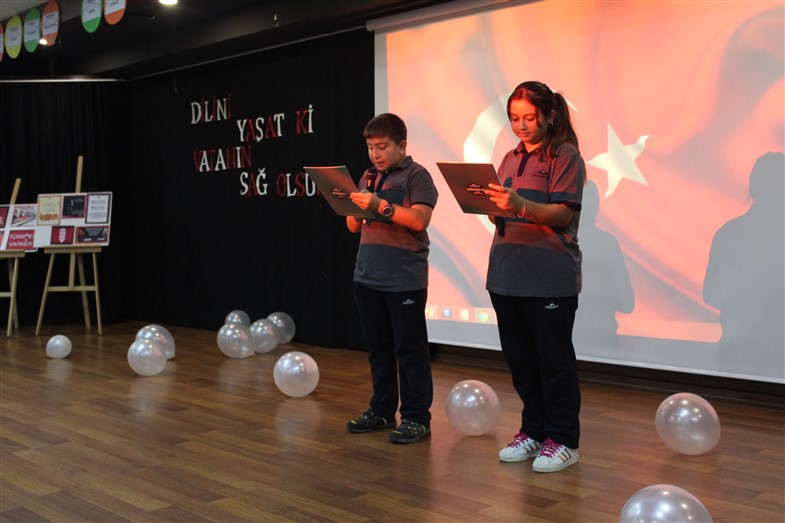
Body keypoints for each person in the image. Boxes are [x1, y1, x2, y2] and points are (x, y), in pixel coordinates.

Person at [484, 81, 586, 472]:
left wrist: (521, 205)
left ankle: (564, 439)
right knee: (522, 363)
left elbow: (562, 213)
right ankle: (534, 430)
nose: (521, 125)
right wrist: (489, 204)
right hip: (506, 274)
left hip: (548, 276)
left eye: (529, 117)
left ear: (549, 115)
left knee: (554, 363)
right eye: (514, 118)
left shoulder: (565, 155)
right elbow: (504, 210)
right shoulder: (509, 157)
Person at [345, 113, 438, 444]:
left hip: (404, 279)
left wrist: (380, 205)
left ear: (402, 146)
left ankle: (416, 417)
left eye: (382, 147)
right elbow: (352, 226)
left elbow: (419, 220)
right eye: (371, 147)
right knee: (378, 348)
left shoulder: (417, 176)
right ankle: (382, 409)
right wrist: (350, 204)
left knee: (410, 350)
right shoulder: (368, 176)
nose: (376, 154)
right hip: (367, 275)